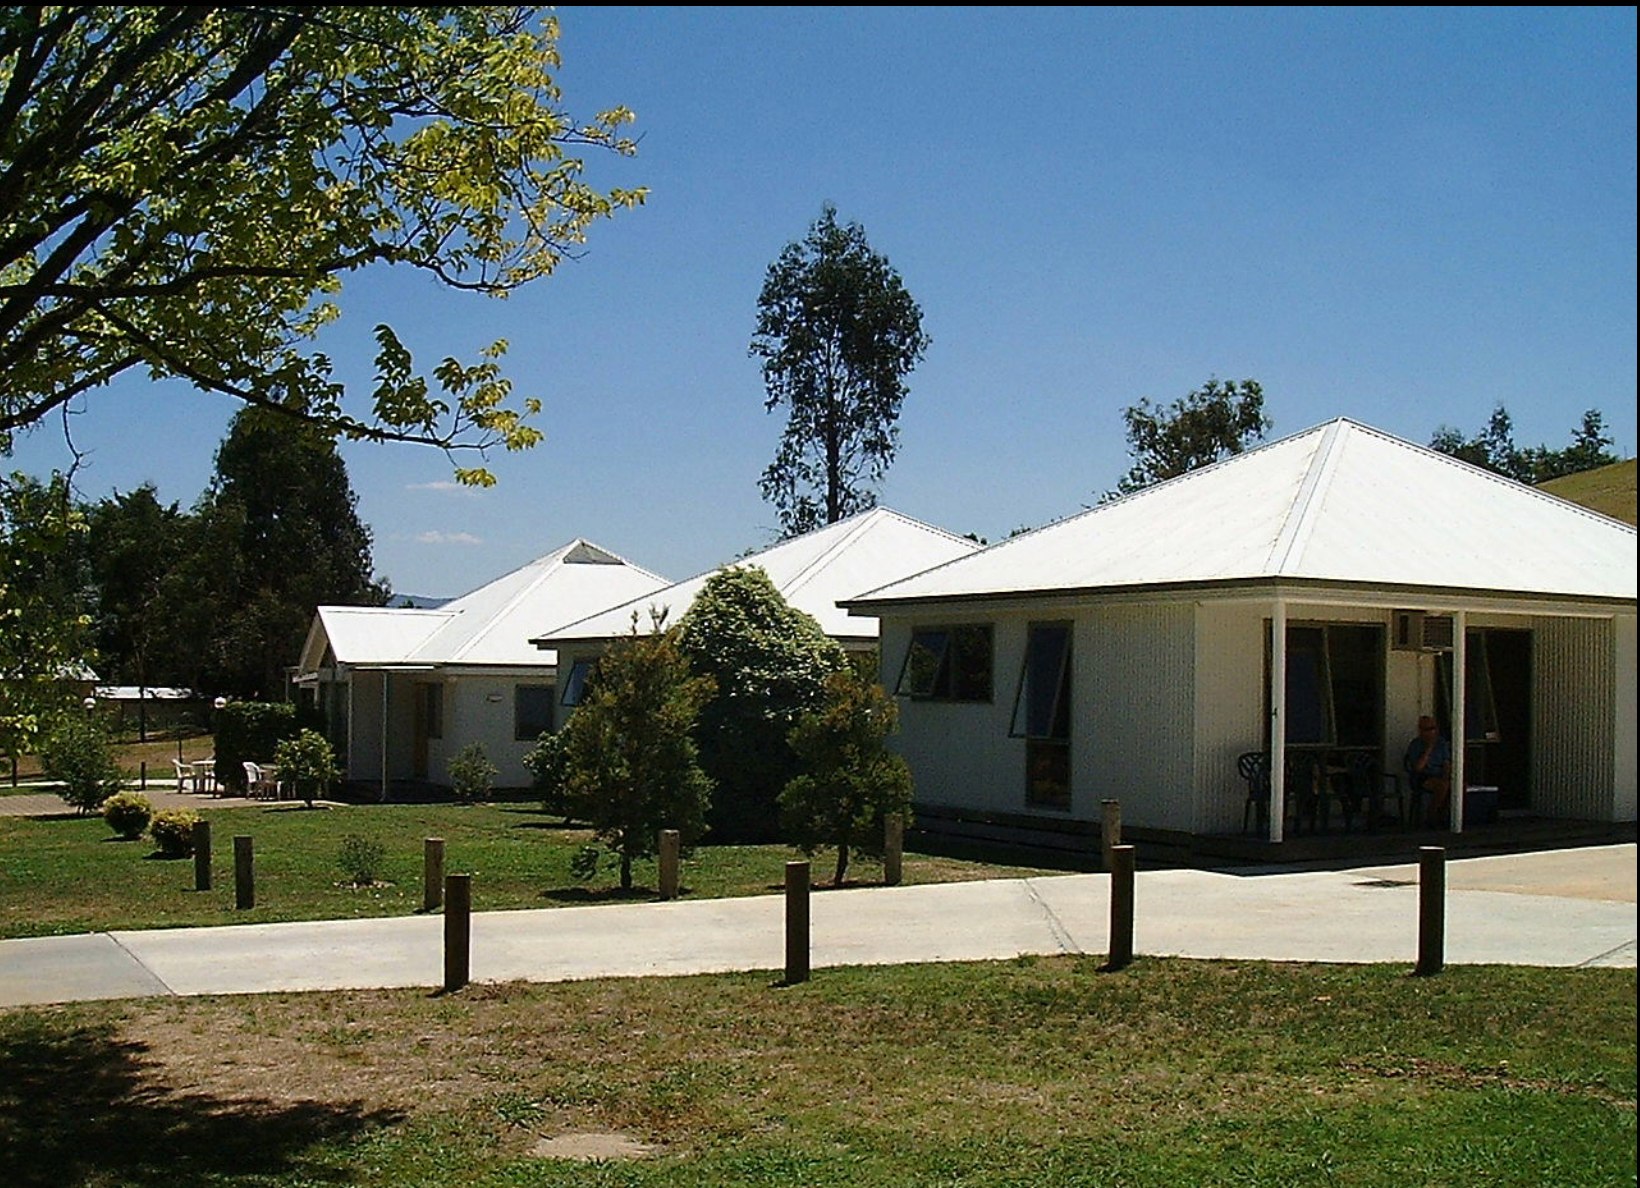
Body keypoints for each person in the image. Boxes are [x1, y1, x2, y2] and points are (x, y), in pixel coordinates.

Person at [1404, 715, 1452, 827]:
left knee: (1458, 786)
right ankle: (1432, 815)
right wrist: (1429, 748)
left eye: (1433, 728)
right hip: (1422, 776)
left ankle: (1447, 815)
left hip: (1440, 775)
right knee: (1442, 786)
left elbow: (1446, 763)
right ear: (1421, 730)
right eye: (1428, 729)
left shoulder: (1441, 743)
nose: (1432, 732)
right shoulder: (1415, 745)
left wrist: (1447, 776)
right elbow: (1418, 768)